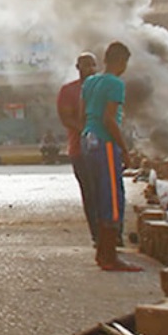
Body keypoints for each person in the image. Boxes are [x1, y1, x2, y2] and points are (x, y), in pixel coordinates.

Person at [82, 41, 139, 272]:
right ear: (122, 61)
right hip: (105, 142)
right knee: (113, 199)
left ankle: (101, 254)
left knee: (99, 196)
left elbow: (82, 112)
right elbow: (109, 119)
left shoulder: (90, 82)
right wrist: (124, 149)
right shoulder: (115, 84)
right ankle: (109, 257)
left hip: (88, 139)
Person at [56, 52, 100, 246]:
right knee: (90, 193)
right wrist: (88, 131)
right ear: (77, 67)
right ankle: (97, 234)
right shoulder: (69, 91)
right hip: (80, 151)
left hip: (103, 150)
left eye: (93, 65)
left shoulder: (102, 88)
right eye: (85, 65)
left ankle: (113, 233)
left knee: (106, 192)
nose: (89, 69)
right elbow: (66, 119)